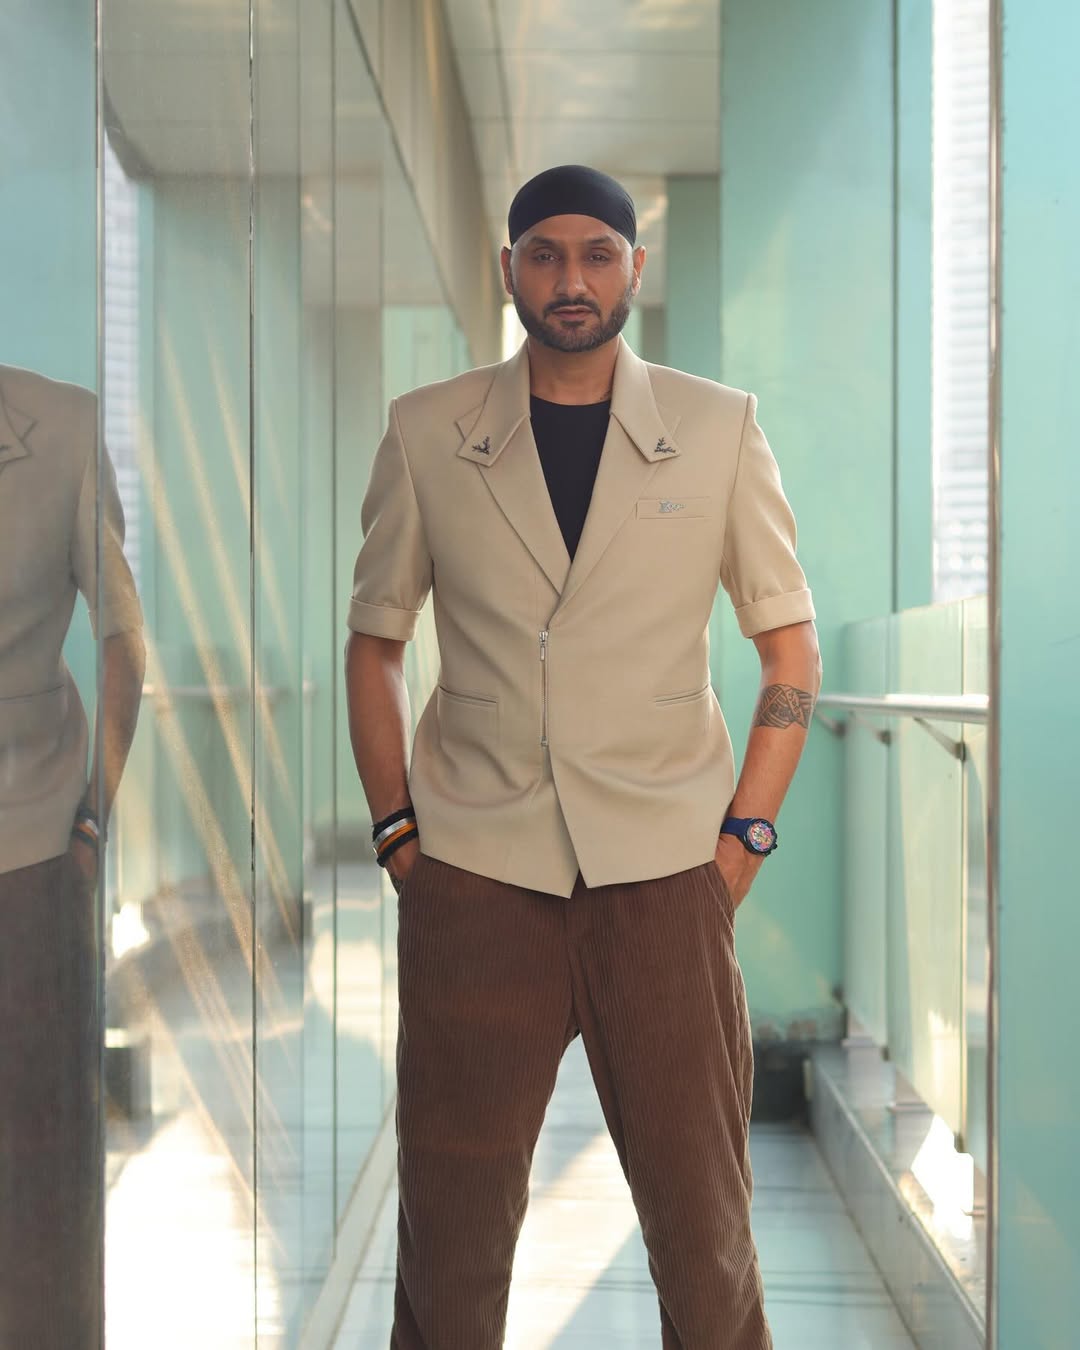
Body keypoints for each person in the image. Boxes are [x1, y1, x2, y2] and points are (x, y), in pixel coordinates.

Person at [344, 164, 821, 1350]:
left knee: (705, 1239)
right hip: (475, 876)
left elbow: (789, 647)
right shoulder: (426, 430)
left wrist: (742, 839)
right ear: (509, 269)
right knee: (450, 1247)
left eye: (598, 254)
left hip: (665, 877)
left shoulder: (719, 428)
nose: (572, 278)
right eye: (545, 254)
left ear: (633, 270)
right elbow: (376, 644)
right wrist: (400, 837)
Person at [0, 364, 145, 1348]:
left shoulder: (61, 425)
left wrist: (92, 817)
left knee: (45, 1177)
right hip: (46, 849)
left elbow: (124, 639)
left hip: (34, 852)